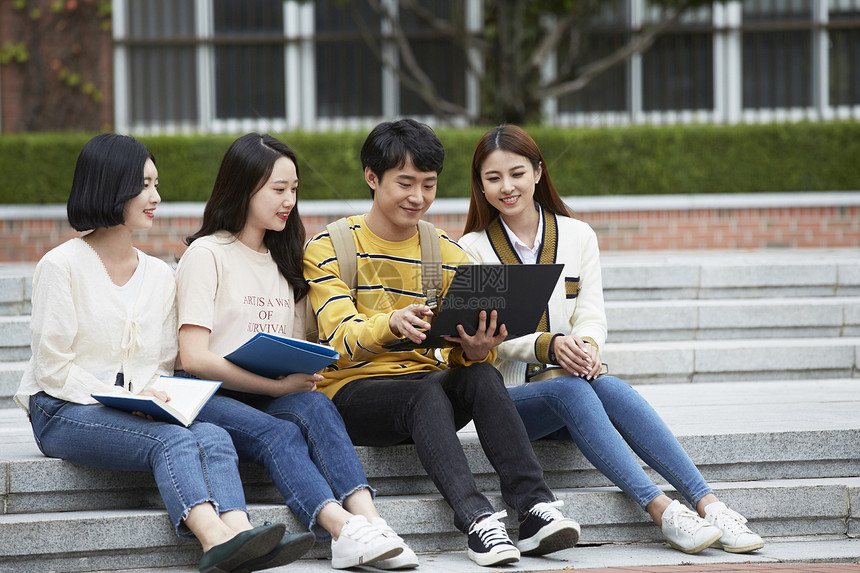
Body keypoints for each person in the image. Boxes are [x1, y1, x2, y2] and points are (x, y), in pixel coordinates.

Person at [458, 124, 766, 556]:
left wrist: (586, 348)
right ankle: (662, 510)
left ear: (538, 172)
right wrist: (545, 344)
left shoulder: (578, 235)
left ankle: (709, 504)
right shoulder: (471, 249)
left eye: (517, 173)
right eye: (493, 178)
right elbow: (489, 337)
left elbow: (592, 315)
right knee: (570, 388)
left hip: (575, 391)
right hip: (512, 403)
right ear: (481, 185)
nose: (507, 187)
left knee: (609, 386)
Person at [13, 133, 314, 573]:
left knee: (212, 434)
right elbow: (53, 369)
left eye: (156, 184)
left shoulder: (158, 274)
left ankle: (241, 532)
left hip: (137, 406)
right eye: (145, 185)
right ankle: (214, 541)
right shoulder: (61, 266)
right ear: (110, 187)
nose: (156, 197)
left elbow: (159, 363)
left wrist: (153, 399)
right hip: (62, 408)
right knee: (171, 440)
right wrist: (122, 403)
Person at [302, 119, 581, 568]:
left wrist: (475, 347)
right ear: (371, 178)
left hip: (424, 391)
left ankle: (532, 509)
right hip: (352, 395)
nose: (418, 197)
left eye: (428, 185)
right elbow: (341, 337)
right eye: (405, 183)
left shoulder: (440, 253)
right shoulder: (333, 246)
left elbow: (452, 342)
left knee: (482, 374)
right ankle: (476, 520)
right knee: (426, 390)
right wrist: (392, 323)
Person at [174, 133, 414, 571]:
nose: (289, 200)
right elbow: (193, 358)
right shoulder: (207, 254)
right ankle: (341, 531)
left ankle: (373, 524)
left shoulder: (287, 260)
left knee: (317, 407)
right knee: (280, 433)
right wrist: (275, 384)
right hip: (206, 395)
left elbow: (301, 342)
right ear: (243, 188)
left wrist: (308, 366)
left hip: (269, 391)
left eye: (295, 189)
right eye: (278, 189)